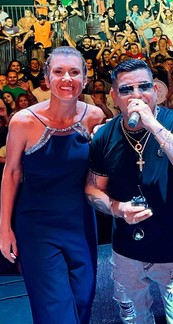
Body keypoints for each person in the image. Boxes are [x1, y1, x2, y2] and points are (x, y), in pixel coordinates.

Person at [84, 59, 173, 323]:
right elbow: (93, 188)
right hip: (127, 251)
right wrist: (117, 208)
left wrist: (153, 125)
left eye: (144, 87)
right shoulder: (105, 136)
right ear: (114, 96)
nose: (137, 94)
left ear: (156, 90)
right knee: (135, 319)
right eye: (127, 89)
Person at [0, 47, 105, 324]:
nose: (66, 78)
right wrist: (4, 228)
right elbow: (11, 174)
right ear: (47, 78)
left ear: (85, 78)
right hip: (37, 227)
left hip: (82, 224)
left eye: (74, 72)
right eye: (58, 72)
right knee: (55, 310)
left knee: (83, 301)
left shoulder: (95, 117)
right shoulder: (22, 121)